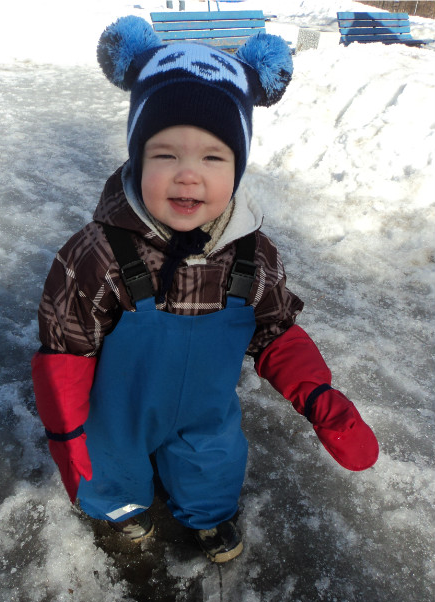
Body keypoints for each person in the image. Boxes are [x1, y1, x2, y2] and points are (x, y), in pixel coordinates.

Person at [31, 16, 379, 564]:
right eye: (165, 155)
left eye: (213, 157)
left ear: (238, 167)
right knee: (110, 468)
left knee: (212, 466)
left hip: (205, 411)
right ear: (137, 157)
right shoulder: (99, 255)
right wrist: (67, 434)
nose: (188, 175)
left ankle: (208, 514)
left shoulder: (252, 255)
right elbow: (65, 351)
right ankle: (123, 508)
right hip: (119, 413)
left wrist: (318, 396)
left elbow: (274, 332)